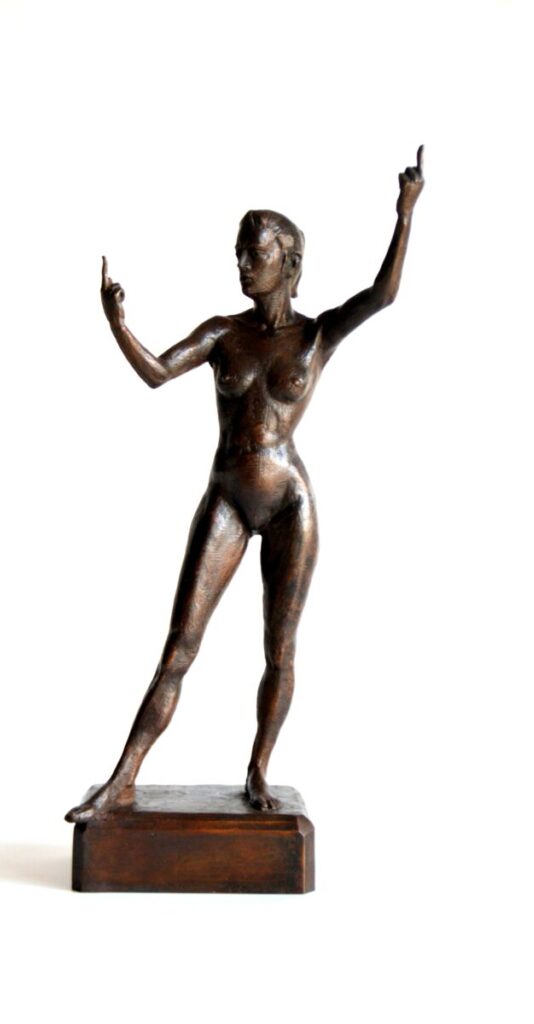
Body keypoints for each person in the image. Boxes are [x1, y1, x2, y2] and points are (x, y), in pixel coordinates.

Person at [65, 147, 424, 821]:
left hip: (288, 502)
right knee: (180, 645)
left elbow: (382, 295)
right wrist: (117, 322)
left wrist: (404, 214)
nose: (240, 263)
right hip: (229, 495)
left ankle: (259, 770)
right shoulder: (222, 334)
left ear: (288, 261)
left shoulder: (316, 336)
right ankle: (121, 779)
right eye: (238, 251)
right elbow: (156, 372)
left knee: (278, 649)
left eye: (253, 252)